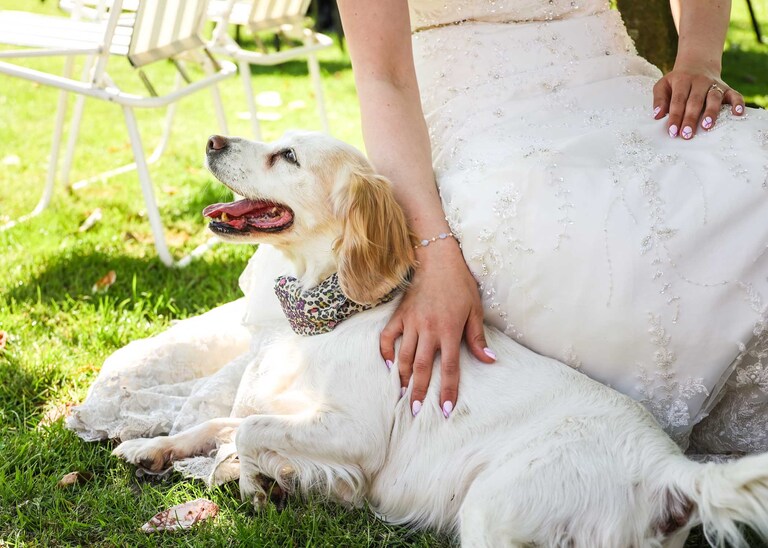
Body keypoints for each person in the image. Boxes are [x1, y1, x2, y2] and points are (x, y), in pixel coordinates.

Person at [335, 0, 768, 452]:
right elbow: (383, 76)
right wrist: (433, 252)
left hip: (623, 87)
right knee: (571, 229)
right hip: (479, 116)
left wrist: (699, 59)